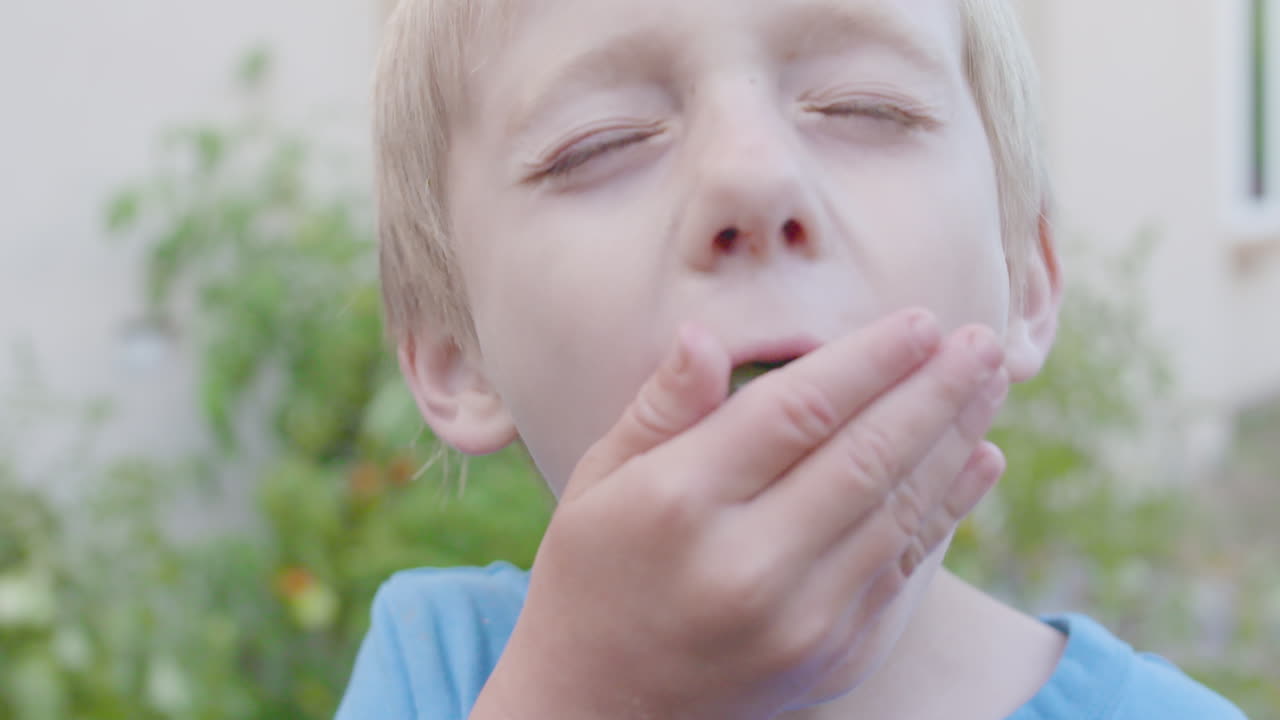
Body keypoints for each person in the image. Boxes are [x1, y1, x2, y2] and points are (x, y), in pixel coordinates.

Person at [337, 0, 1247, 718]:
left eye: (867, 107)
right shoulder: (438, 670)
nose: (753, 175)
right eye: (599, 144)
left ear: (1024, 280)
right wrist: (588, 698)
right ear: (459, 355)